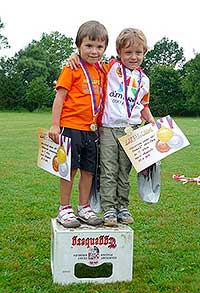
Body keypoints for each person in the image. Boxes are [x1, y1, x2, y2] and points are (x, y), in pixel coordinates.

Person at [68, 28, 155, 226]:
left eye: (138, 52)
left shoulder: (144, 80)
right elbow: (89, 61)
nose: (133, 57)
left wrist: (151, 122)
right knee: (108, 169)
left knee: (124, 171)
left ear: (144, 53)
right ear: (119, 52)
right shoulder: (110, 68)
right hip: (107, 128)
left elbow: (144, 106)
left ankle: (122, 207)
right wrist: (75, 56)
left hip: (132, 130)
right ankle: (109, 210)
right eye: (128, 52)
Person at [48, 20, 109, 228]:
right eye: (88, 46)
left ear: (105, 49)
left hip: (92, 131)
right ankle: (64, 208)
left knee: (89, 170)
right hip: (70, 127)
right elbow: (60, 97)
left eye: (99, 46)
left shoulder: (102, 70)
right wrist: (55, 125)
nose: (94, 51)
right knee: (69, 169)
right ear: (78, 46)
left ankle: (84, 207)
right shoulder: (71, 68)